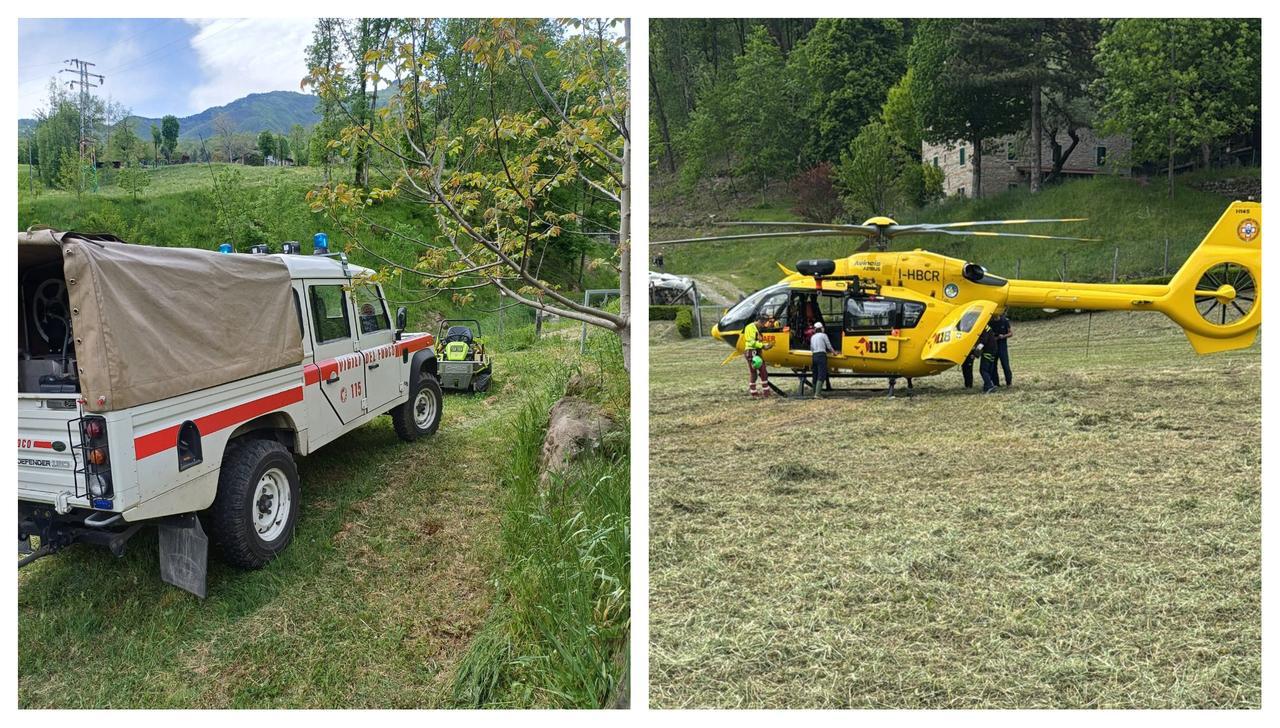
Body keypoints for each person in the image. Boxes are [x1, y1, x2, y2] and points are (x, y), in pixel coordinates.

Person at [742, 312, 773, 397]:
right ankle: (765, 392)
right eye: (763, 323)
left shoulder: (757, 328)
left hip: (756, 351)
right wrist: (763, 346)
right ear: (760, 321)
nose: (764, 326)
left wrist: (765, 345)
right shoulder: (750, 328)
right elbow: (751, 342)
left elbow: (757, 341)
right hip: (752, 351)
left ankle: (754, 391)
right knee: (762, 371)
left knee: (755, 372)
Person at [808, 321, 835, 398]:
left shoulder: (812, 337)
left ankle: (814, 392)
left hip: (814, 356)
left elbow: (811, 348)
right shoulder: (824, 335)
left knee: (815, 374)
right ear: (821, 328)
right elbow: (829, 346)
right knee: (821, 374)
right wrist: (834, 352)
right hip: (821, 356)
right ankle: (818, 394)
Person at [989, 312, 1013, 386]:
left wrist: (1003, 336)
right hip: (993, 346)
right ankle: (996, 383)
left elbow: (1010, 333)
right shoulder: (990, 322)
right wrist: (995, 338)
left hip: (1002, 346)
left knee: (1005, 365)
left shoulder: (1004, 321)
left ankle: (1009, 382)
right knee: (993, 366)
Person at [976, 324, 999, 393]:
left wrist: (976, 351)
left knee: (983, 370)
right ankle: (986, 386)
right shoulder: (988, 327)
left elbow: (984, 341)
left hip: (988, 351)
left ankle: (989, 386)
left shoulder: (984, 329)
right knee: (989, 370)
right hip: (993, 350)